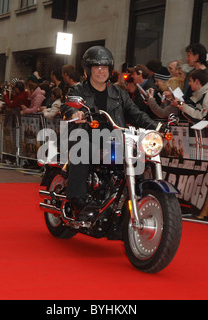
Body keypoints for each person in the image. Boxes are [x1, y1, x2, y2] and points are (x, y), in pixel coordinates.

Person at [61, 46, 161, 220]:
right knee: (83, 150)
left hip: (114, 139)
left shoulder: (119, 93)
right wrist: (74, 113)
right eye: (97, 67)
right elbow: (67, 105)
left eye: (105, 67)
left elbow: (135, 113)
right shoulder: (78, 91)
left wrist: (156, 126)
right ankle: (78, 199)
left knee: (138, 155)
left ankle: (133, 195)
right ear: (88, 70)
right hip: (84, 135)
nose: (101, 71)